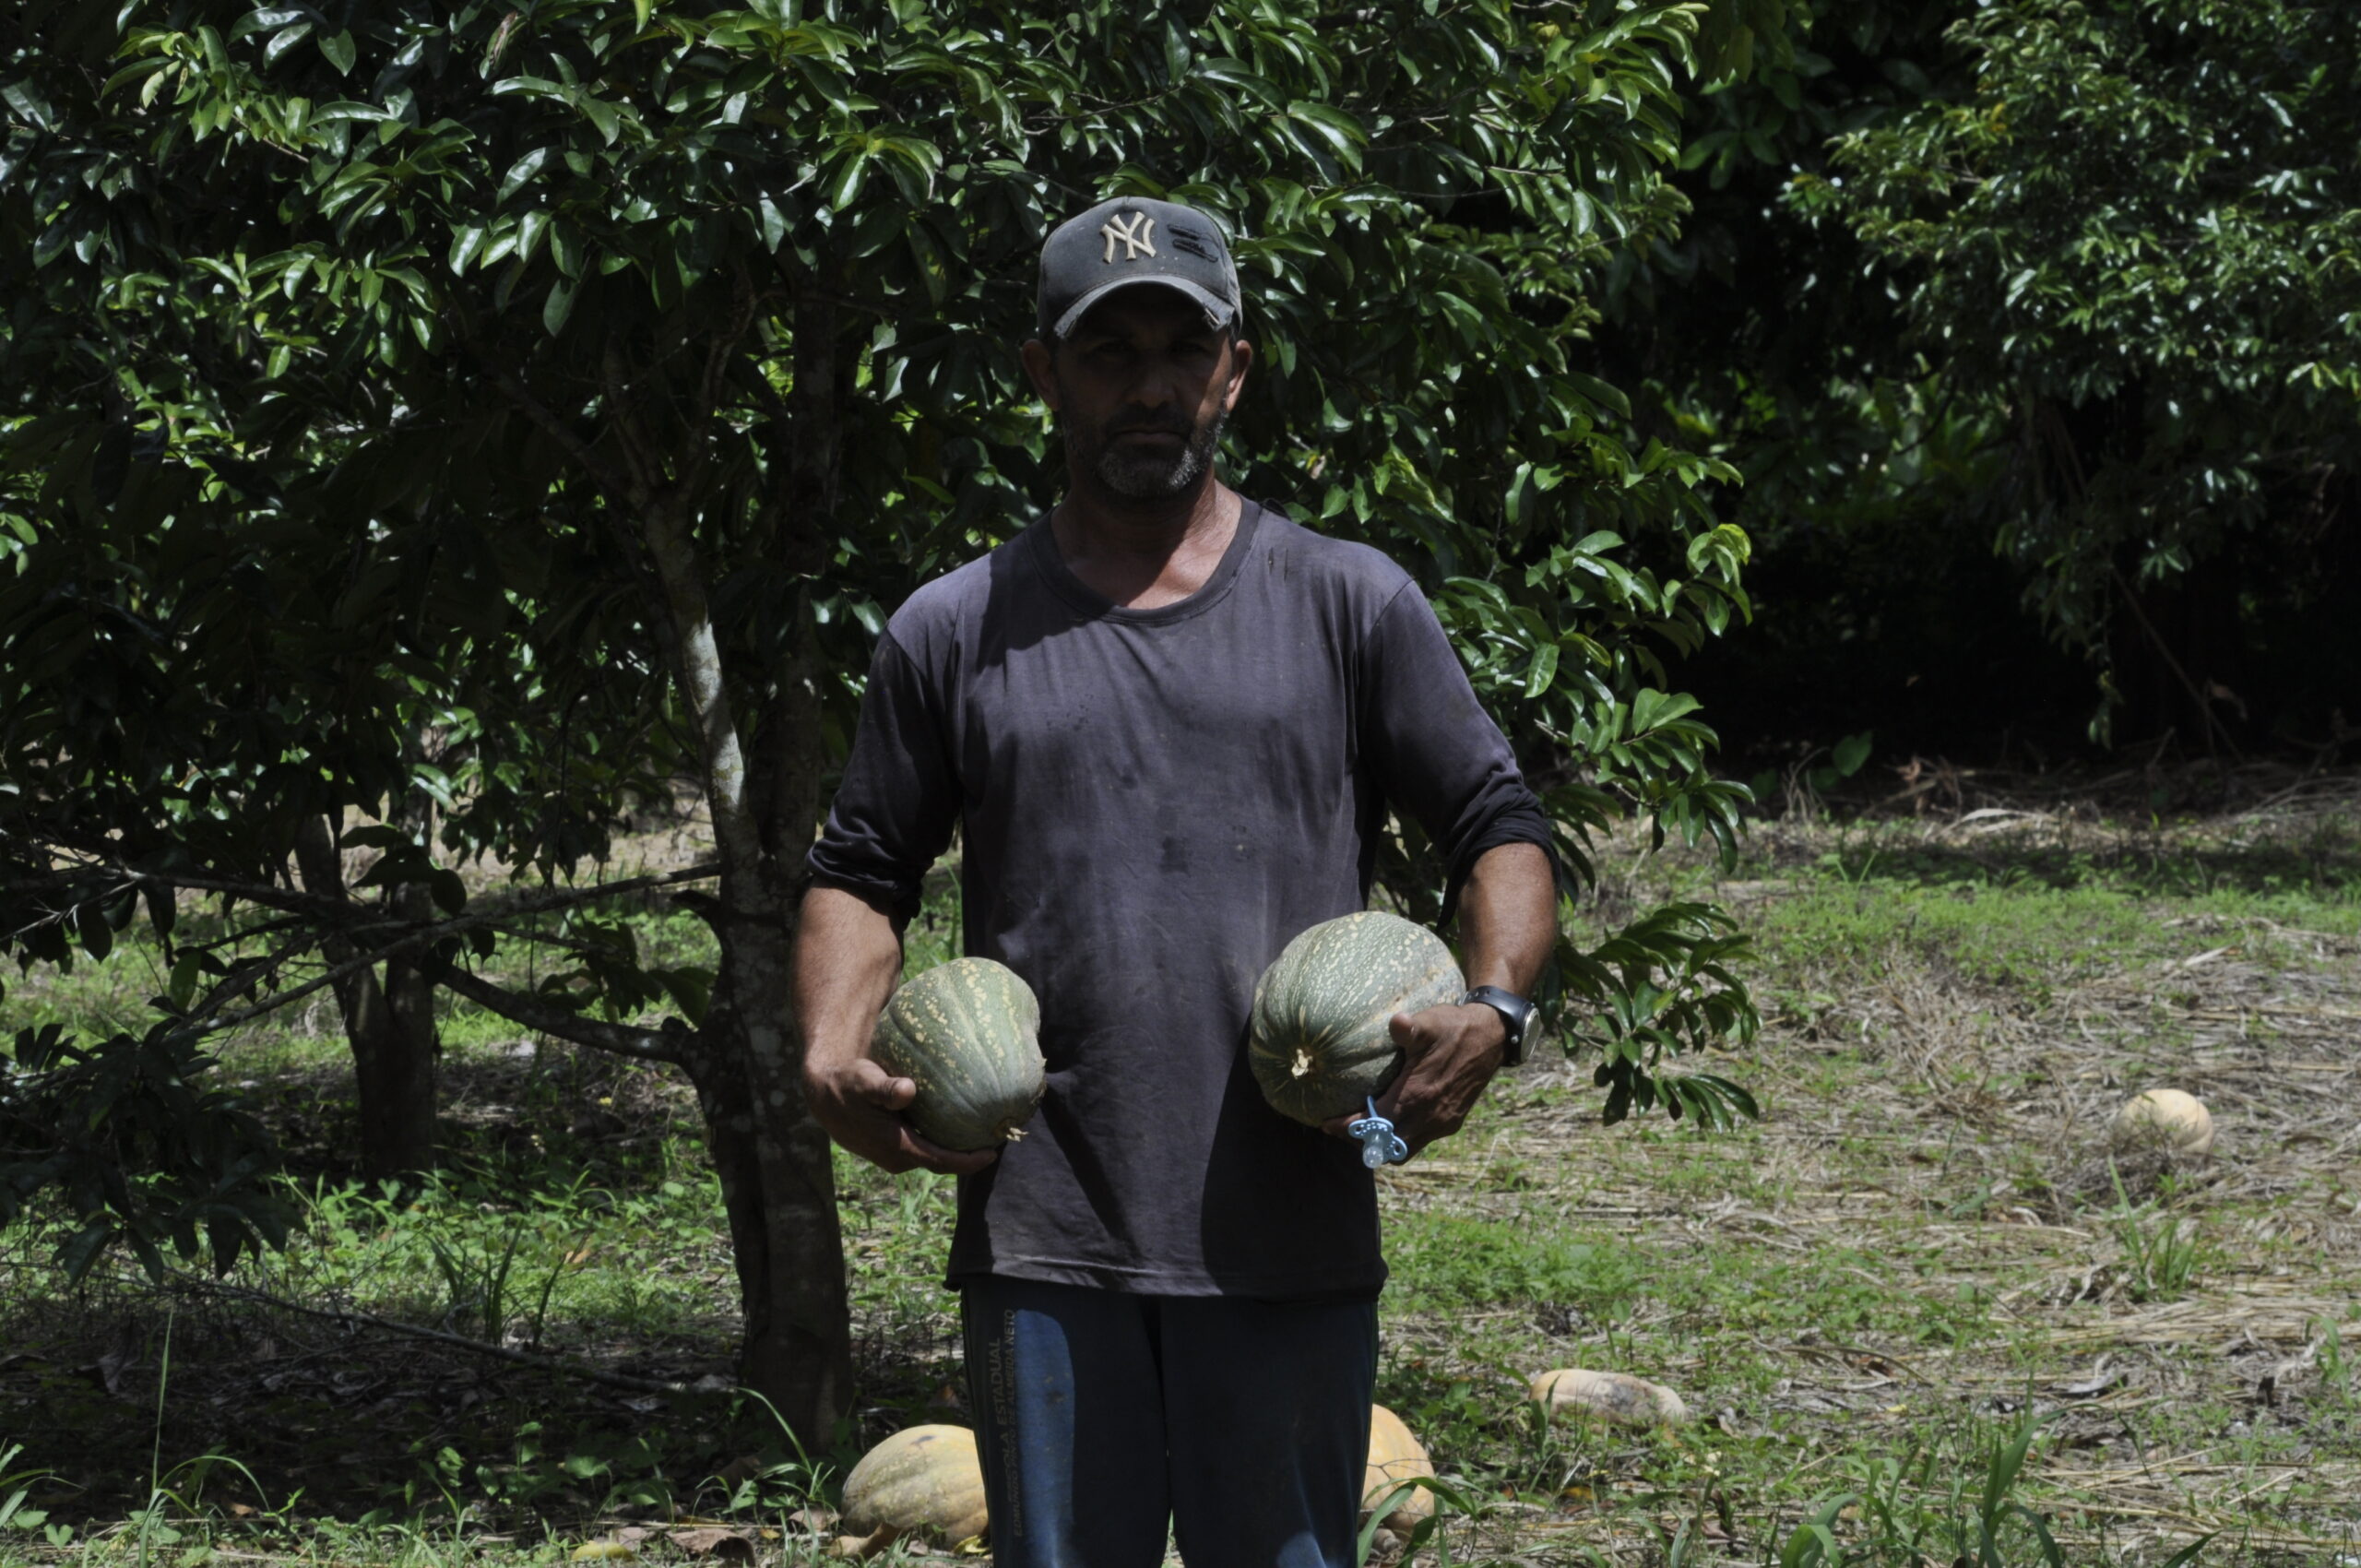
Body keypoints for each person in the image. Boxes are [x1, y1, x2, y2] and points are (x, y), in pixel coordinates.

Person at [796, 196, 1558, 1568]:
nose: (1149, 385)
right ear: (1045, 374)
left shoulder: (1349, 600)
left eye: (1180, 349)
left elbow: (1498, 824)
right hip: (1045, 1234)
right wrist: (831, 1049)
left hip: (1287, 1231)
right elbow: (861, 868)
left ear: (1235, 369)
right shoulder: (953, 628)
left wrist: (1494, 1009)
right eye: (1108, 351)